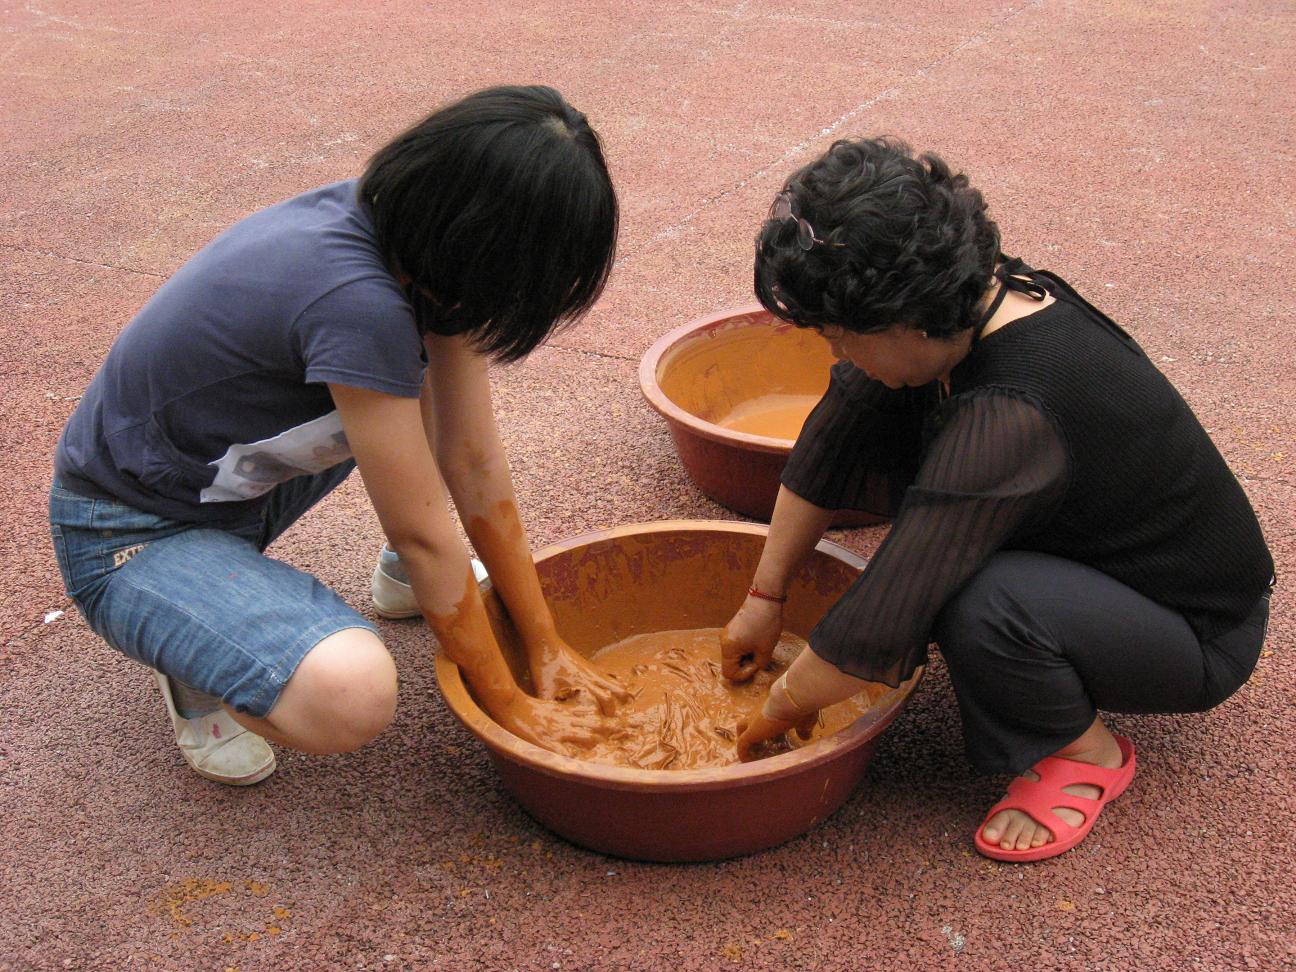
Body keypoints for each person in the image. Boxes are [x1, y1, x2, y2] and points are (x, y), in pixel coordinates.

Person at [49, 85, 629, 787]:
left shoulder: (414, 235)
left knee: (406, 410)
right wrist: (506, 703)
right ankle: (200, 657)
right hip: (127, 530)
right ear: (482, 244)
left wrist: (547, 642)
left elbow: (470, 457)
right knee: (351, 696)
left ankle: (379, 584)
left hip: (232, 480)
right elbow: (423, 530)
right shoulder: (357, 303)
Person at [721, 137, 1274, 862]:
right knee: (877, 406)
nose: (834, 353)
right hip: (1097, 555)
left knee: (975, 599)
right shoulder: (973, 299)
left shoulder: (1014, 411)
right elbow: (829, 446)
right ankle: (1049, 650)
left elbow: (886, 614)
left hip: (1197, 630)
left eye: (840, 337)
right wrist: (764, 597)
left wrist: (765, 720)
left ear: (905, 322)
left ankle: (1087, 756)